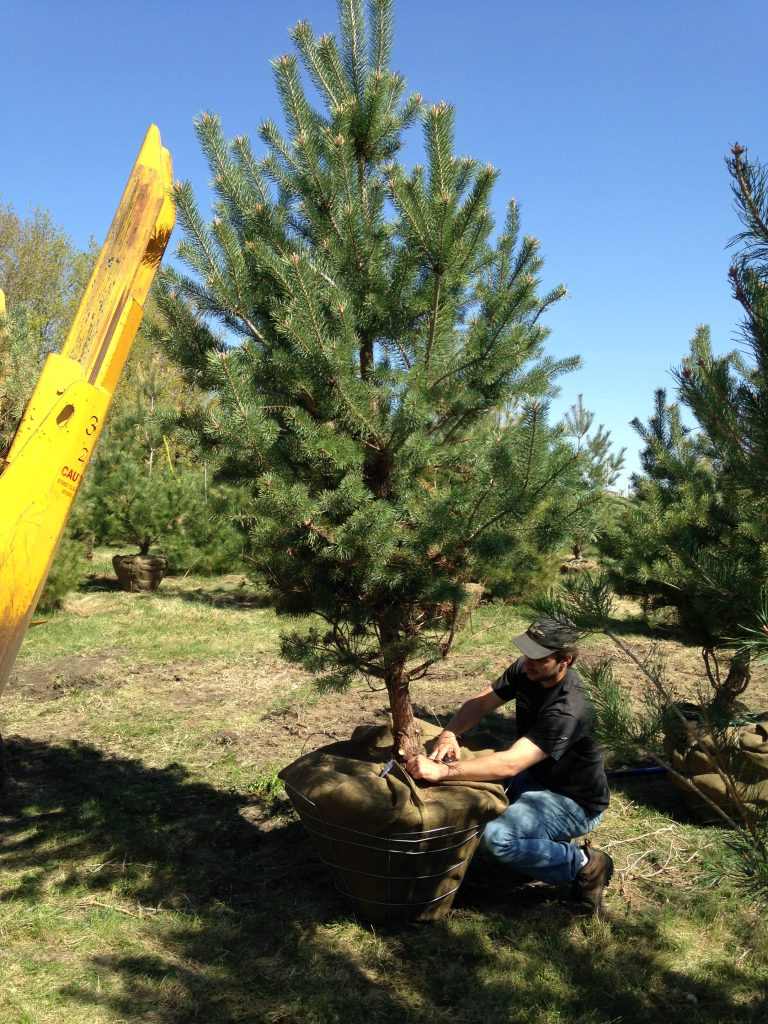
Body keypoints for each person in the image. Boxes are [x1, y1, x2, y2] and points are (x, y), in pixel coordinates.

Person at [405, 614, 613, 914]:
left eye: (539, 657)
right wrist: (451, 732)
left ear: (565, 660)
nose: (529, 661)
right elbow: (480, 703)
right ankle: (536, 848)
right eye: (527, 651)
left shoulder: (570, 707)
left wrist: (441, 771)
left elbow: (511, 764)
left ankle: (585, 864)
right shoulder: (528, 669)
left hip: (571, 799)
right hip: (533, 776)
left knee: (497, 838)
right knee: (468, 802)